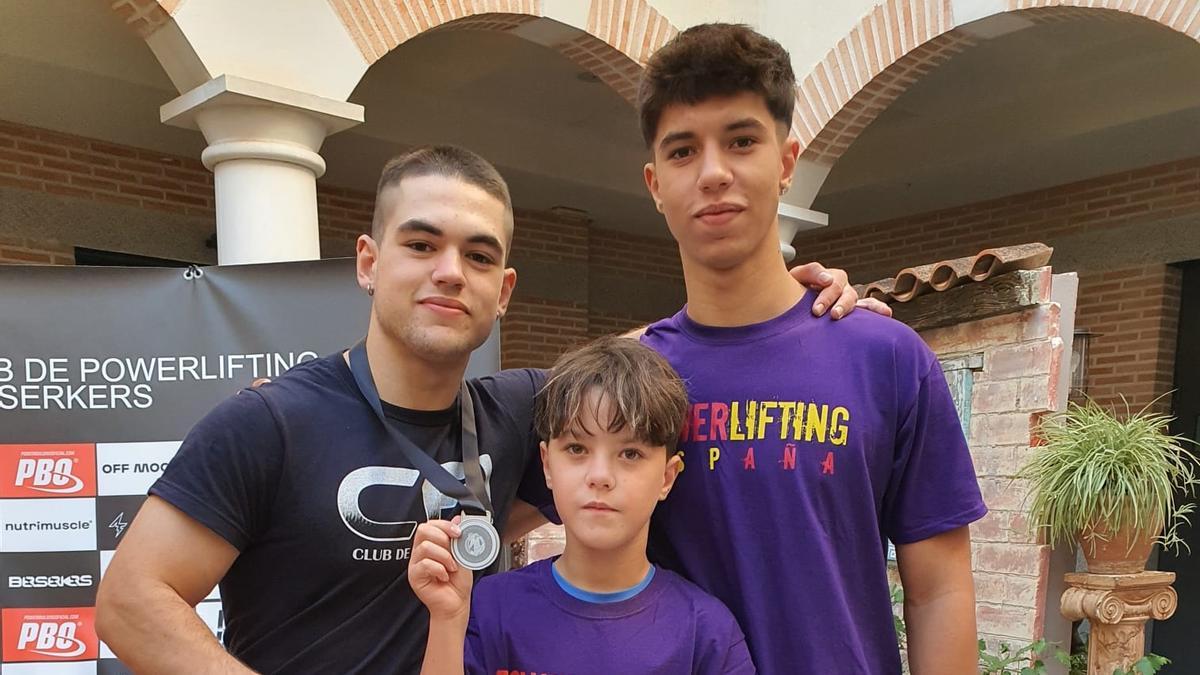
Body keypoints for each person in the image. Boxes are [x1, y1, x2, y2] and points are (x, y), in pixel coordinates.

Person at [95, 144, 866, 673]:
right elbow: (131, 603)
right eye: (422, 244)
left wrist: (784, 305)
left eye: (479, 254)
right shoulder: (272, 423)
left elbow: (645, 362)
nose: (449, 273)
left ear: (504, 291)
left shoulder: (522, 409)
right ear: (369, 262)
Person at [635, 24, 987, 674]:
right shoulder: (630, 380)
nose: (714, 173)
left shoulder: (888, 359)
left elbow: (939, 588)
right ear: (655, 183)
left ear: (787, 161)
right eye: (684, 151)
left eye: (741, 141)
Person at [410, 337, 755, 674]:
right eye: (577, 448)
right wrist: (447, 620)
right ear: (546, 464)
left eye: (630, 453)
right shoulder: (492, 608)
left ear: (667, 477)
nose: (600, 476)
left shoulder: (707, 634)